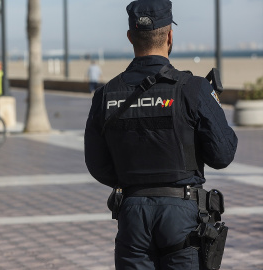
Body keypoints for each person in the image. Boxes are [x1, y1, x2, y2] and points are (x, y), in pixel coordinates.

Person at [84, 0, 238, 269]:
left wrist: (133, 183)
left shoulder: (105, 94)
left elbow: (97, 164)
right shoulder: (193, 89)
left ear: (131, 37)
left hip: (132, 211)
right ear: (169, 36)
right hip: (182, 214)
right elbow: (222, 155)